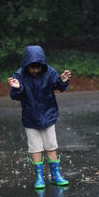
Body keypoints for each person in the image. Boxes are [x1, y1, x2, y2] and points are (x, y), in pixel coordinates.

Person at [8, 45, 71, 189]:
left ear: (43, 64)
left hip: (48, 115)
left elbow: (59, 86)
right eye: (32, 67)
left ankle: (56, 175)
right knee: (35, 148)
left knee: (51, 146)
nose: (35, 70)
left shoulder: (49, 72)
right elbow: (15, 95)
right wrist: (17, 88)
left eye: (38, 67)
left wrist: (62, 79)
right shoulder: (19, 75)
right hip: (30, 118)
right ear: (26, 66)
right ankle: (39, 177)